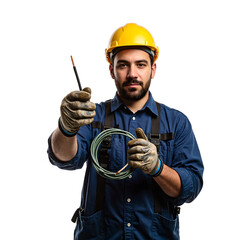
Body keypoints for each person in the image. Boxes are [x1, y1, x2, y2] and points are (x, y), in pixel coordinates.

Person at [47, 23, 204, 240]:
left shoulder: (177, 122)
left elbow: (190, 186)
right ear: (111, 70)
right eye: (123, 65)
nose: (132, 74)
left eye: (140, 64)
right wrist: (66, 128)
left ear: (153, 69)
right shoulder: (91, 115)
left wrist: (157, 168)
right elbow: (64, 158)